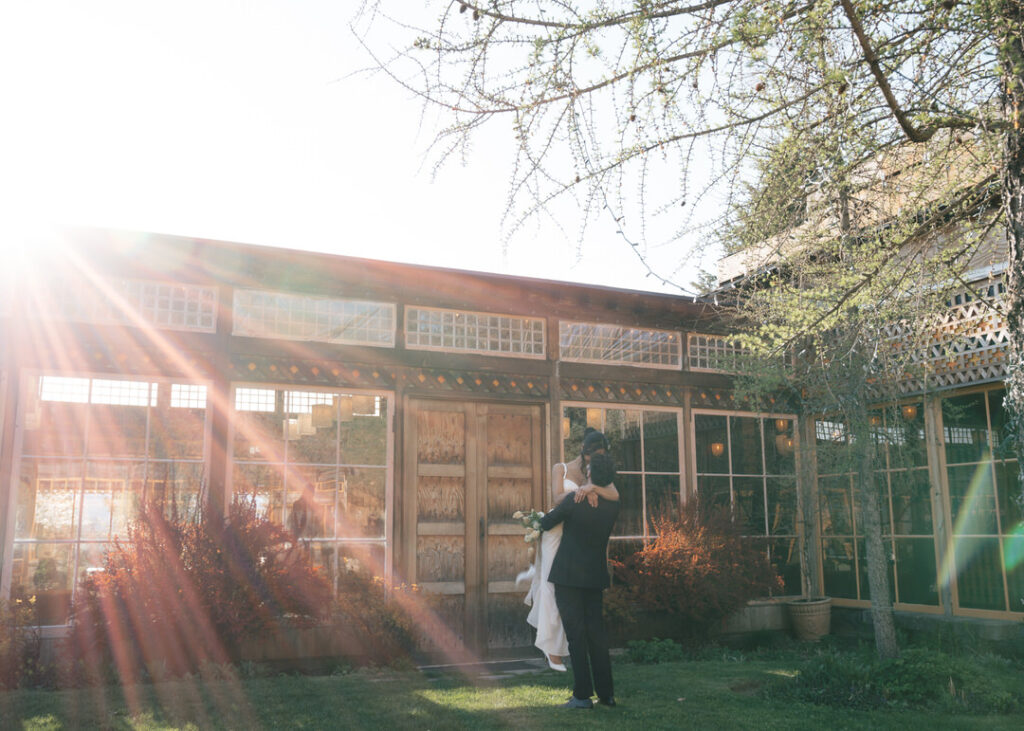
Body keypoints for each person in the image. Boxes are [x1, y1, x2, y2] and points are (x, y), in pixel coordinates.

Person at [520, 428, 618, 671]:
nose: (594, 461)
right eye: (592, 455)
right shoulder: (560, 468)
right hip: (558, 529)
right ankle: (552, 649)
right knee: (552, 587)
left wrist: (592, 488)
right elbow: (556, 499)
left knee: (570, 596)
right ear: (584, 452)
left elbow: (614, 494)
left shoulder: (595, 473)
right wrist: (582, 491)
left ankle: (565, 650)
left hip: (577, 533)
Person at [538, 451, 620, 709]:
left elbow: (547, 522)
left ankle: (582, 696)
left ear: (590, 474)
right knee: (597, 636)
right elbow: (613, 493)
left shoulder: (575, 500)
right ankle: (606, 695)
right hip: (595, 577)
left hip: (569, 577)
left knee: (576, 636)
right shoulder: (614, 503)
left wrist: (535, 519)